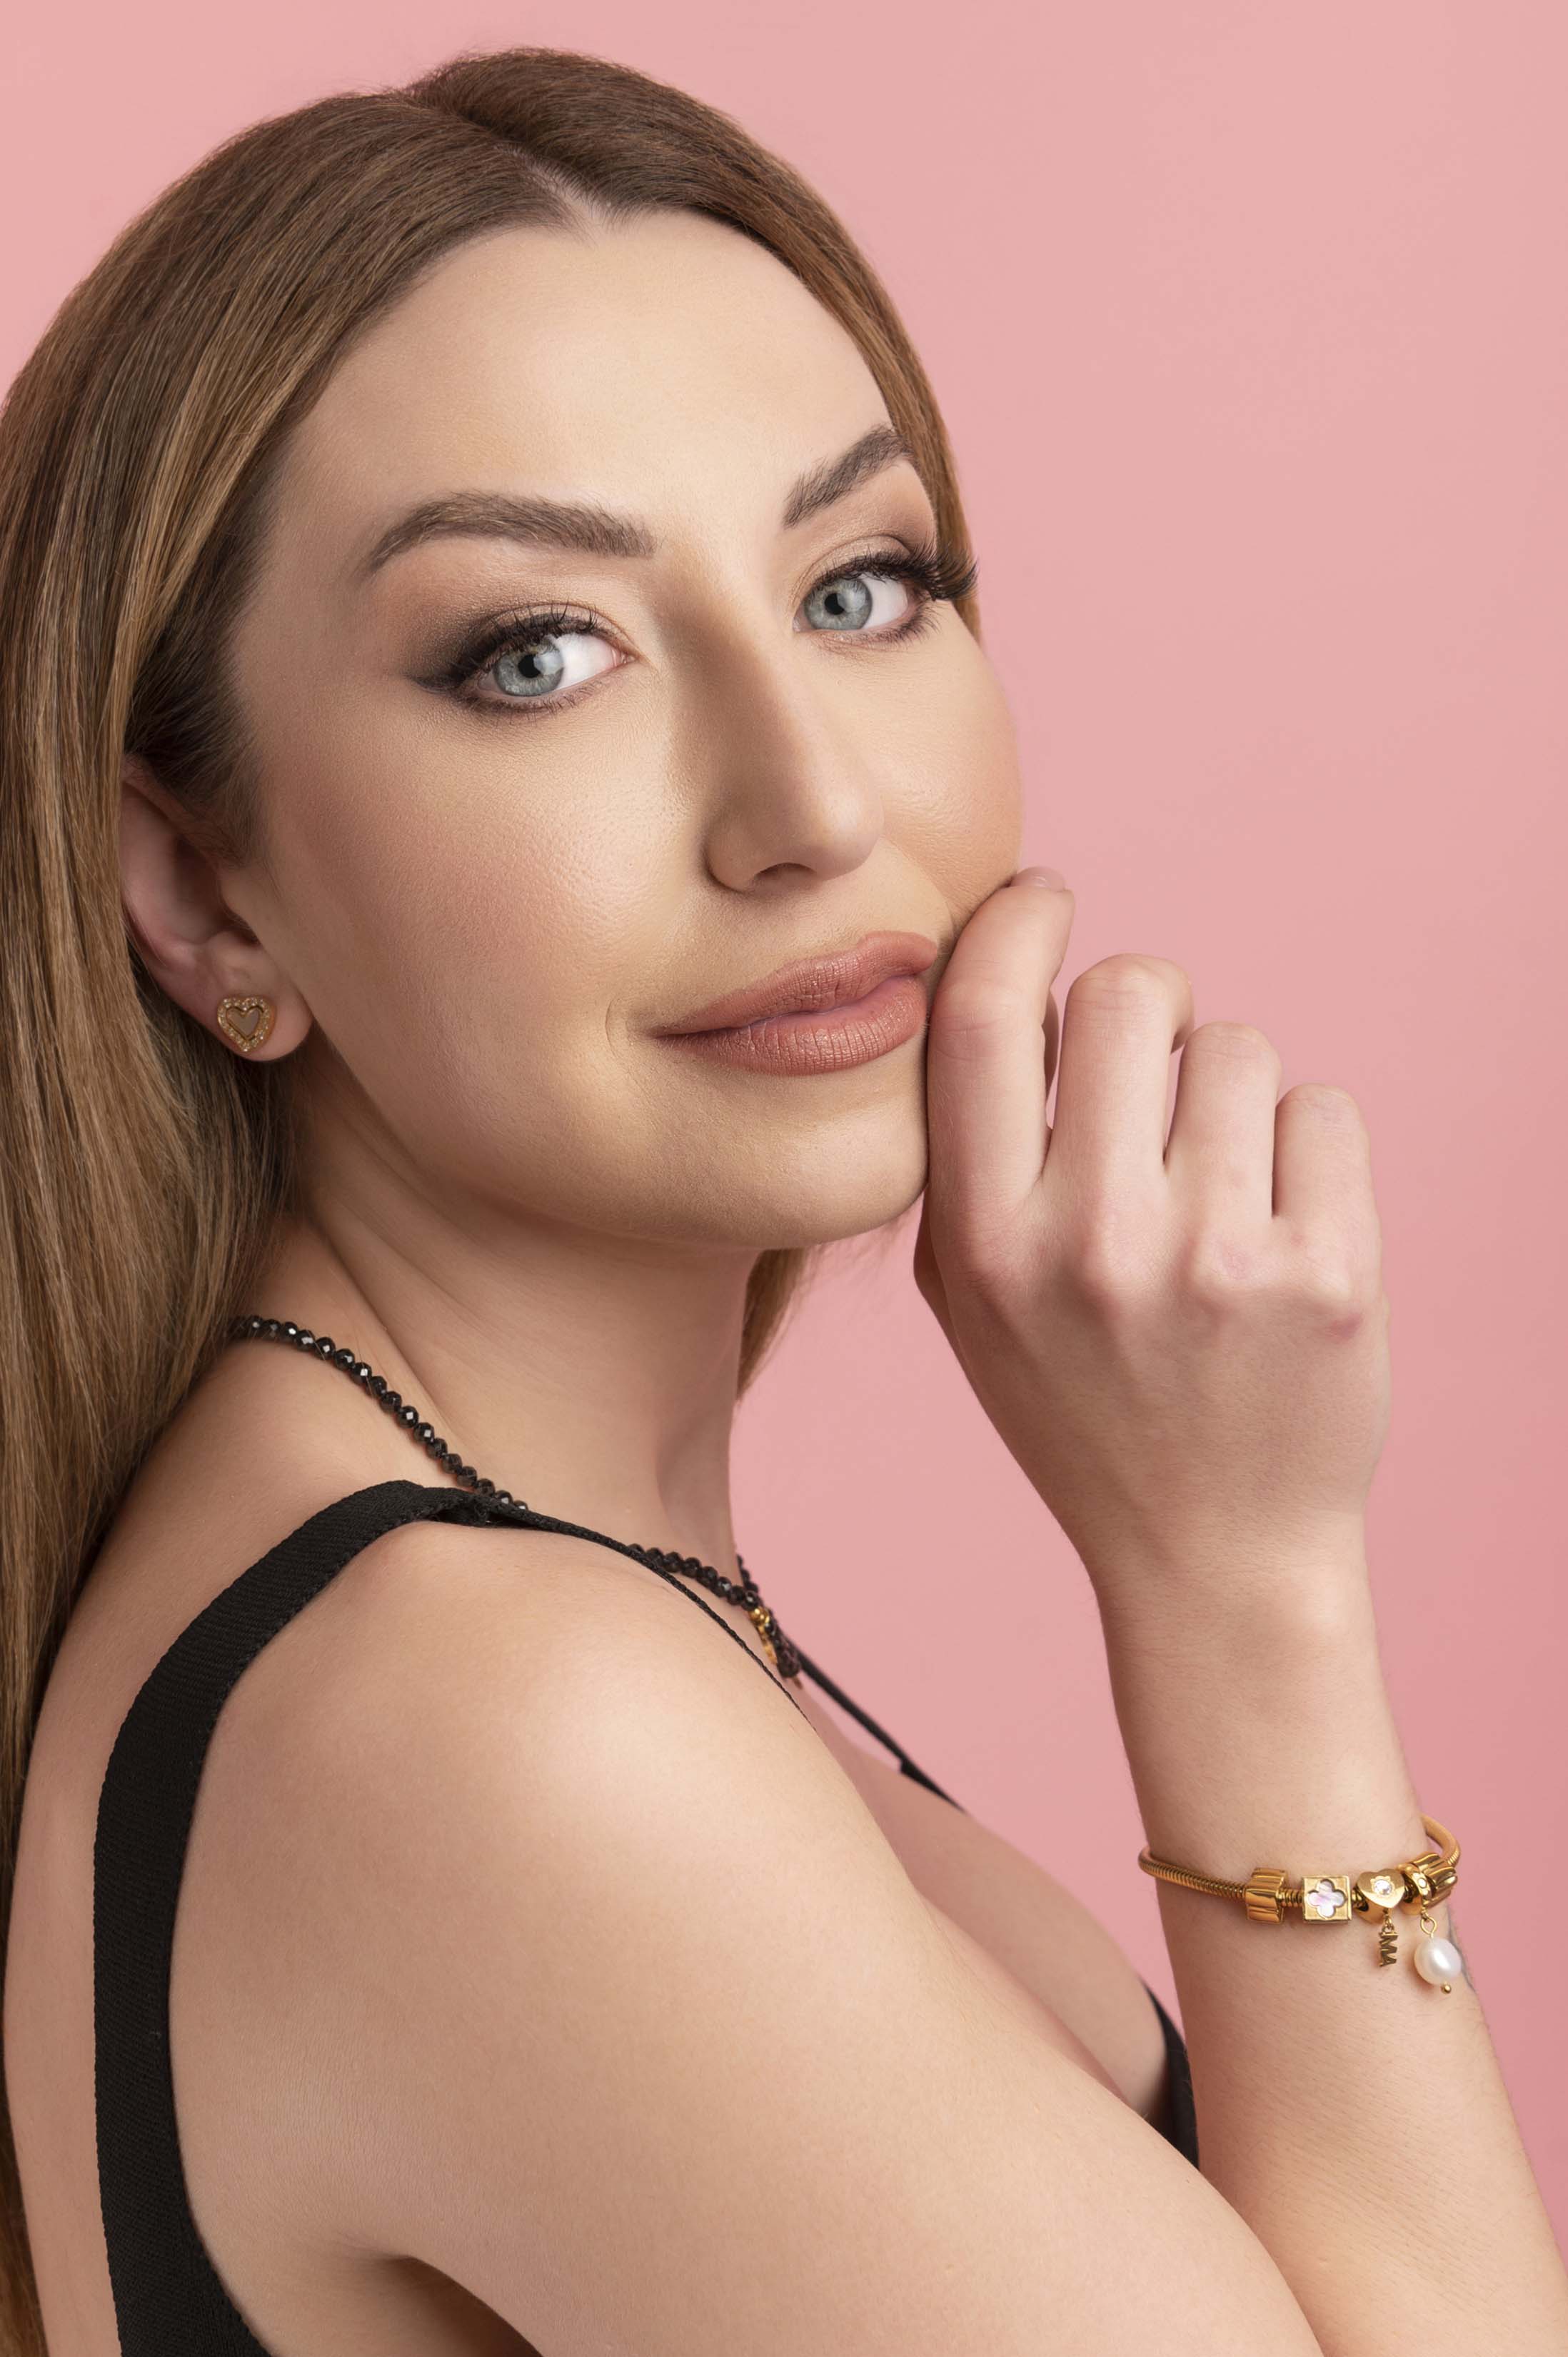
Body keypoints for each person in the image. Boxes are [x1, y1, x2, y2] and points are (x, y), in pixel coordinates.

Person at [1, 41, 1564, 2357]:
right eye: (538, 655)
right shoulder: (498, 1728)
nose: (811, 804)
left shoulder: (506, 1606)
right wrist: (1239, 1582)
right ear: (200, 889)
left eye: (858, 586)